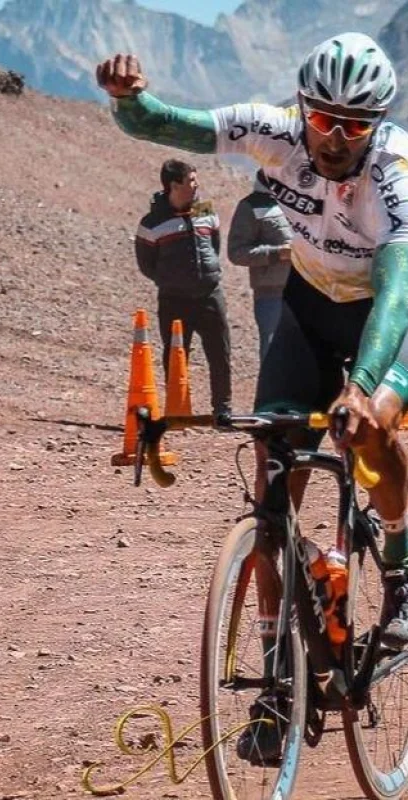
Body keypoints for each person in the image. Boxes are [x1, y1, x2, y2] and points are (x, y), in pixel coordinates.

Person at [96, 32, 408, 761]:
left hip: (387, 313)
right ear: (302, 108)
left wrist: (362, 390)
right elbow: (169, 125)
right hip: (308, 305)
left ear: (378, 125)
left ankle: (399, 560)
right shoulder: (278, 135)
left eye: (354, 124)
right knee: (273, 488)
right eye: (323, 118)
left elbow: (396, 294)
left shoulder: (394, 174)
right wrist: (129, 102)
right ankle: (276, 686)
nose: (334, 138)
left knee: (371, 432)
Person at [135, 159, 232, 416]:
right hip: (174, 299)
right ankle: (178, 409)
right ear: (174, 186)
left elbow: (214, 245)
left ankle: (222, 409)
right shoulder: (152, 223)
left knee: (220, 352)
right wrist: (170, 280)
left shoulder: (205, 210)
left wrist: (206, 275)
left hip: (210, 295)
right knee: (176, 355)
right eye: (190, 180)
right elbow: (146, 265)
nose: (196, 184)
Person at [227, 168, 292, 362]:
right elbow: (237, 253)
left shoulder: (295, 202)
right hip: (271, 295)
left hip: (303, 292)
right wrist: (277, 253)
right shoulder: (250, 206)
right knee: (272, 354)